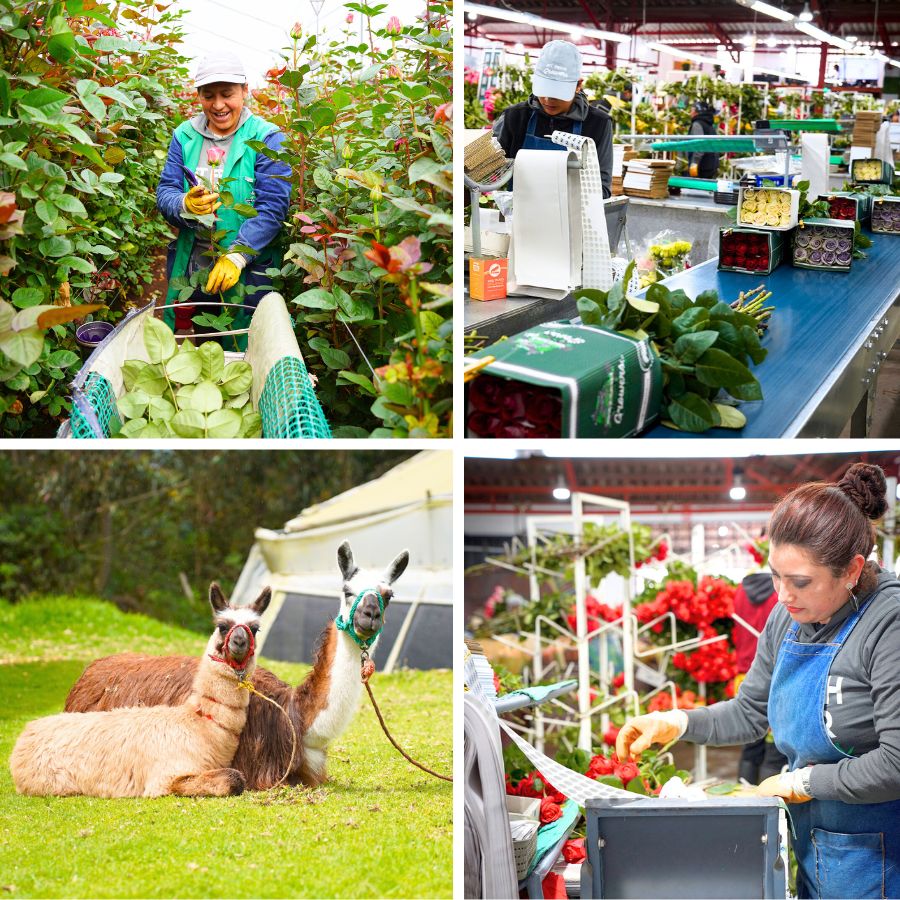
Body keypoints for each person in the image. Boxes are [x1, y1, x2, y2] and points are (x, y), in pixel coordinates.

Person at [617, 463, 900, 899]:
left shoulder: (888, 622)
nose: (783, 595)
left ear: (851, 570)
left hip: (880, 857)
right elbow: (750, 713)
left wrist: (803, 782)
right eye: (775, 576)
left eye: (801, 582)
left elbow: (896, 763)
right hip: (815, 844)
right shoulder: (785, 616)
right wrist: (677, 723)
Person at [156, 51, 291, 347]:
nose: (218, 105)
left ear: (245, 91)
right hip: (199, 266)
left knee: (251, 344)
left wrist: (238, 255)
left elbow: (272, 208)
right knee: (210, 342)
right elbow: (165, 191)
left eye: (227, 94)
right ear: (199, 96)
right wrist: (183, 205)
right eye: (208, 95)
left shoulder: (268, 138)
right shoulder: (184, 136)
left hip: (251, 270)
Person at [491, 40, 613, 198]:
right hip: (519, 216)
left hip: (573, 218)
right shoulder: (515, 117)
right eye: (544, 91)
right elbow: (487, 169)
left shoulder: (598, 123)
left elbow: (602, 188)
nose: (548, 100)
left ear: (578, 85)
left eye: (557, 93)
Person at [732, 567, 788, 783]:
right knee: (775, 748)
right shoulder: (780, 594)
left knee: (750, 744)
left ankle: (745, 798)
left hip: (744, 674)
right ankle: (770, 805)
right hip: (774, 674)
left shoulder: (740, 592)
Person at [686, 101, 719, 179]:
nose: (690, 113)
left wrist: (694, 163)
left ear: (697, 111)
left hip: (702, 165)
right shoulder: (709, 124)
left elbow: (699, 146)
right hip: (711, 164)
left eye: (692, 110)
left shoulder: (697, 124)